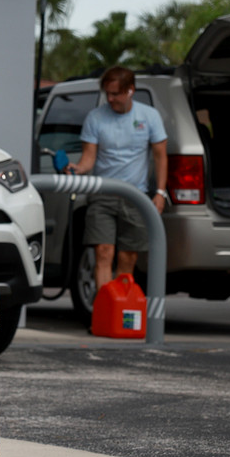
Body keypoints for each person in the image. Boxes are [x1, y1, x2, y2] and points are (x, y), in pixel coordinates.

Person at [65, 65, 168, 295]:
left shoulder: (149, 116)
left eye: (115, 94)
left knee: (128, 255)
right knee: (103, 252)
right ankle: (103, 310)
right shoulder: (96, 117)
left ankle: (120, 310)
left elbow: (161, 157)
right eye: (107, 94)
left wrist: (160, 193)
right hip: (103, 195)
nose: (110, 99)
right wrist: (77, 168)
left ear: (130, 90)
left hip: (136, 196)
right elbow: (88, 159)